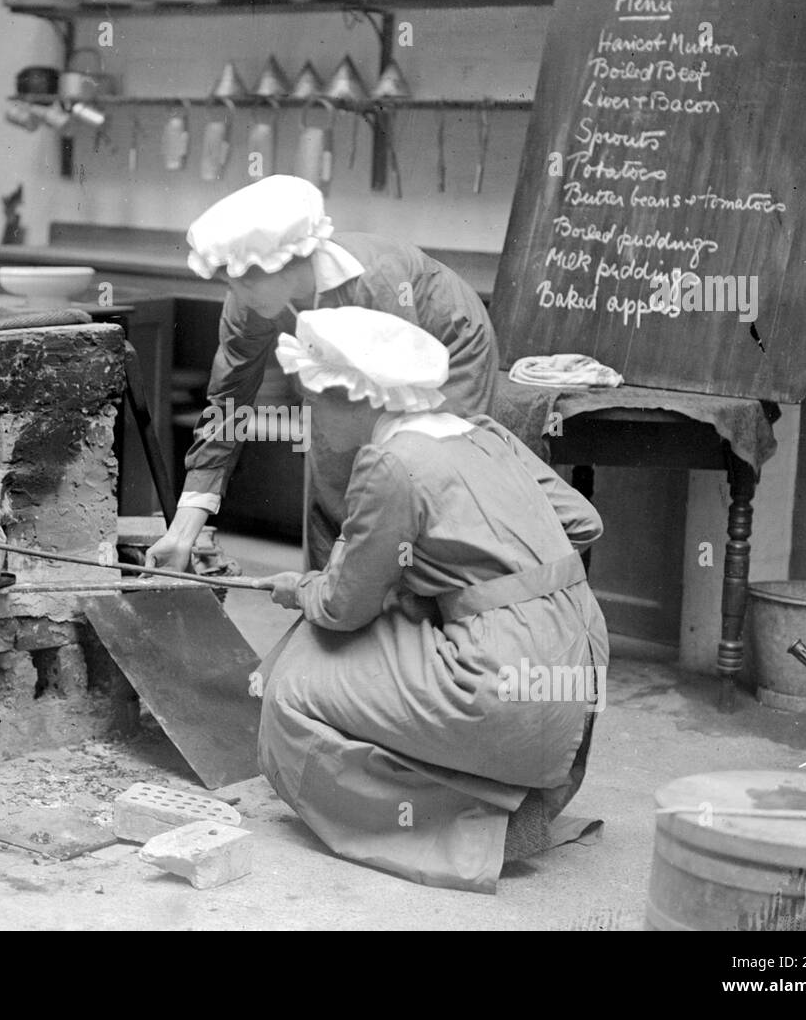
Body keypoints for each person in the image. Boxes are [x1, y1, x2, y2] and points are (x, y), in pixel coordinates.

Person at [256, 307, 609, 893]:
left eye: (314, 402)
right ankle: (497, 793)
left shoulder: (389, 463)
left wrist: (301, 588)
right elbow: (584, 523)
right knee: (403, 620)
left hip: (499, 684)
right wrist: (481, 579)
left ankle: (470, 825)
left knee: (293, 681)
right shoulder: (485, 433)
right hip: (580, 666)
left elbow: (344, 606)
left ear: (360, 399)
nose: (308, 419)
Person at [146, 175, 499, 573]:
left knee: (419, 467)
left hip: (446, 348)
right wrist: (183, 530)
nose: (238, 295)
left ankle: (413, 610)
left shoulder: (375, 280)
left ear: (291, 260)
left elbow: (393, 407)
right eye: (230, 282)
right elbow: (226, 406)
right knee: (330, 465)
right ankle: (331, 599)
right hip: (354, 365)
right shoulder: (247, 301)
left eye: (246, 280)